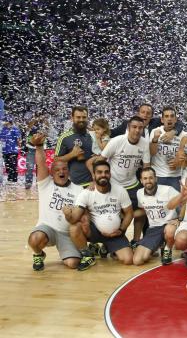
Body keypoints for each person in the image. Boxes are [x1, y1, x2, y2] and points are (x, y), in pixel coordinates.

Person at [88, 116, 151, 246]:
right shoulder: (117, 141)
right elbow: (100, 161)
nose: (137, 130)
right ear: (128, 128)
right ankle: (109, 243)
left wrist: (147, 185)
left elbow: (146, 167)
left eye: (140, 128)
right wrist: (94, 180)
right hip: (114, 184)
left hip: (132, 184)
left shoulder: (145, 143)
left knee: (145, 209)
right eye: (134, 127)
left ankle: (136, 240)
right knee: (113, 215)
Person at [27, 133, 83, 270]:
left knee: (73, 264)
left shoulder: (79, 189)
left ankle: (73, 252)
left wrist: (70, 215)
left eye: (64, 169)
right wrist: (39, 146)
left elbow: (79, 216)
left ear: (69, 171)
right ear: (51, 172)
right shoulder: (46, 184)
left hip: (66, 233)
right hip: (47, 229)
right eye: (57, 170)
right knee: (35, 239)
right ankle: (39, 254)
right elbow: (41, 164)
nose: (61, 172)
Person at [69, 160, 135, 270]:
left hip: (115, 234)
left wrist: (122, 230)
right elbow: (74, 218)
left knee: (128, 260)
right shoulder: (86, 193)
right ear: (94, 175)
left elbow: (129, 213)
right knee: (74, 227)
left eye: (106, 172)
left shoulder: (120, 190)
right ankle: (87, 255)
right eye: (99, 172)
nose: (103, 175)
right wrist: (68, 214)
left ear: (110, 174)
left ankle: (106, 248)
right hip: (94, 232)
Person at [133, 167, 183, 266]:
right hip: (154, 229)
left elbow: (185, 202)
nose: (148, 181)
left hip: (169, 224)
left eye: (151, 178)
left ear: (156, 178)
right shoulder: (139, 193)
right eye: (145, 178)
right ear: (141, 181)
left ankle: (167, 249)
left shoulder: (168, 190)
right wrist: (127, 215)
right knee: (137, 261)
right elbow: (144, 210)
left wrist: (179, 219)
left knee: (170, 230)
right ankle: (159, 244)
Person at [149, 107, 187, 192]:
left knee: (175, 204)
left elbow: (186, 160)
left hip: (176, 176)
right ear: (162, 120)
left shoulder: (184, 135)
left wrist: (179, 161)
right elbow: (152, 153)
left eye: (172, 116)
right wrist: (155, 139)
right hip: (158, 175)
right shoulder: (155, 131)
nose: (169, 118)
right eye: (166, 116)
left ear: (176, 119)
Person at [54, 106, 94, 187]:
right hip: (75, 185)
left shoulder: (94, 135)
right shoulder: (64, 138)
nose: (81, 120)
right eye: (78, 117)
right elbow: (56, 160)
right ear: (72, 118)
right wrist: (71, 155)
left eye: (84, 117)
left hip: (94, 184)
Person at [110, 103, 184, 139]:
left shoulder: (155, 123)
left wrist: (174, 131)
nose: (145, 115)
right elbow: (112, 133)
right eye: (143, 112)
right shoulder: (127, 124)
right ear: (138, 114)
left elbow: (178, 122)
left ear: (151, 116)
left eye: (148, 113)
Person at [0, 117, 20, 183]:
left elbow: (18, 140)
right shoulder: (3, 129)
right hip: (5, 151)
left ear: (9, 122)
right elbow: (1, 139)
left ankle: (13, 179)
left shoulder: (15, 129)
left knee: (13, 165)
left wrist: (18, 147)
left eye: (5, 122)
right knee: (8, 166)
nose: (4, 123)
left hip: (13, 151)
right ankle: (10, 178)